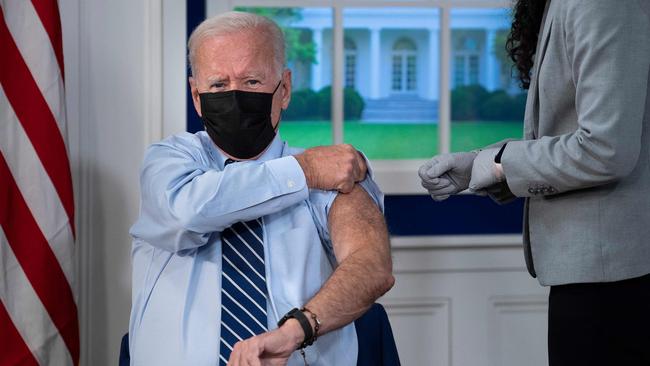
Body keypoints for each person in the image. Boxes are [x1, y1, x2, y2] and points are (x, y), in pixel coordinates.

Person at [128, 11, 394, 366]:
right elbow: (188, 210)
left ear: (283, 89)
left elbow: (372, 265)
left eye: (252, 81)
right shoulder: (169, 161)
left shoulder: (334, 173)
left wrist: (295, 331)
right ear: (196, 94)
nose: (235, 96)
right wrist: (306, 171)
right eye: (218, 85)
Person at [419, 1, 650, 365]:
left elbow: (606, 148)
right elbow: (569, 133)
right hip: (595, 279)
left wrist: (499, 165)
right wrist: (478, 163)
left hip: (613, 282)